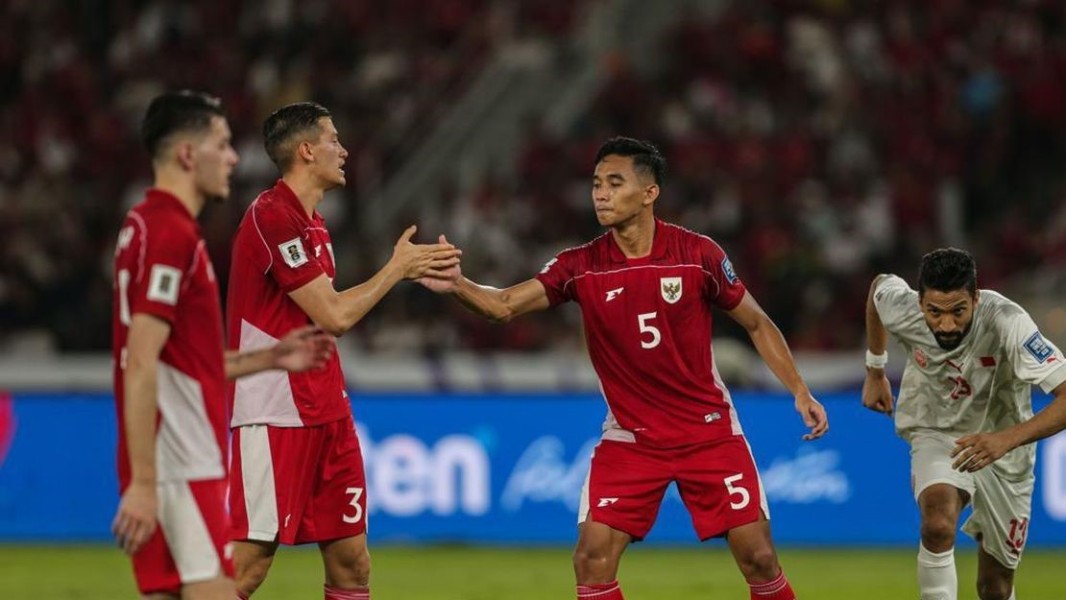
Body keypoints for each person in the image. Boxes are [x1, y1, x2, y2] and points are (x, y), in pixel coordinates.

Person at [421, 136, 827, 600]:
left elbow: (756, 322)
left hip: (708, 430)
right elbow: (505, 306)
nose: (601, 193)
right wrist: (458, 284)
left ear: (650, 193)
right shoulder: (581, 266)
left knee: (759, 557)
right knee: (591, 558)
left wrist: (799, 390)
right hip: (631, 438)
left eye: (615, 183)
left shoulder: (698, 255)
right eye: (596, 183)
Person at [225, 101, 460, 600]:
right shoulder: (272, 215)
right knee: (246, 566)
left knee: (352, 562)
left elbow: (328, 316)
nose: (345, 150)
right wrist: (396, 269)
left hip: (327, 407)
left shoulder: (315, 224)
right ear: (306, 150)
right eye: (334, 139)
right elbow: (334, 315)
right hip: (274, 411)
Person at [111, 91, 334, 600]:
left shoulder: (140, 225)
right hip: (180, 459)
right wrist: (144, 482)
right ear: (189, 154)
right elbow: (141, 358)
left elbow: (179, 357)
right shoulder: (172, 236)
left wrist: (269, 358)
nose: (234, 157)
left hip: (166, 455)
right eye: (222, 144)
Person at [863, 248, 1066, 600]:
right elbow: (878, 288)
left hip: (1006, 448)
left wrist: (1006, 440)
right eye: (934, 312)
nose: (946, 325)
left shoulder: (1008, 322)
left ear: (975, 297)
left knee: (995, 587)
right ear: (920, 302)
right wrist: (875, 368)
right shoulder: (902, 306)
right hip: (936, 430)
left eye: (958, 311)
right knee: (938, 524)